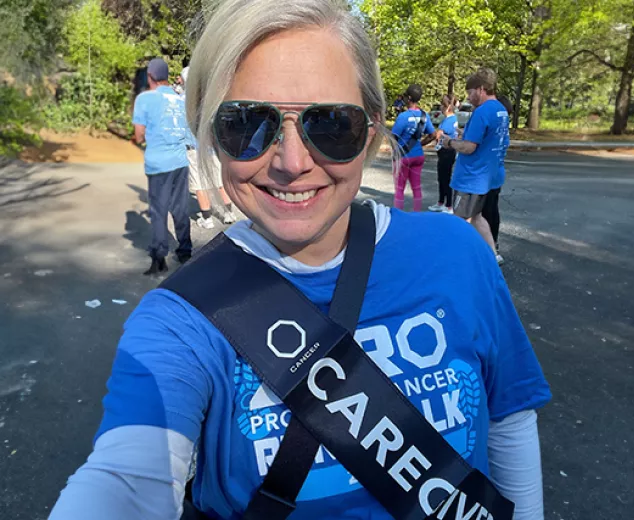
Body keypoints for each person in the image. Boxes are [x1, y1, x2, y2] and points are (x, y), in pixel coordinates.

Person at [49, 2, 550, 520]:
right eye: (248, 125)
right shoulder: (181, 322)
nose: (292, 162)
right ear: (211, 136)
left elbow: (509, 420)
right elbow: (126, 482)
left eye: (332, 125)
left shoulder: (457, 254)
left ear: (373, 131)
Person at [132, 58, 192, 275]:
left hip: (159, 164)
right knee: (180, 208)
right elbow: (189, 135)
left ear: (150, 77)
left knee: (158, 211)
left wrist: (144, 135)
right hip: (180, 162)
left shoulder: (145, 99)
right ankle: (185, 251)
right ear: (167, 76)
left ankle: (159, 258)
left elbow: (139, 136)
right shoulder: (180, 100)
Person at [442, 68, 510, 255]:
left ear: (480, 89)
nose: (468, 97)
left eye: (470, 92)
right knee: (478, 217)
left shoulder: (481, 112)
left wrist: (450, 142)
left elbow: (469, 147)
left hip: (471, 177)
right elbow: (493, 139)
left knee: (459, 219)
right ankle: (492, 254)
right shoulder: (501, 110)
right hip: (489, 175)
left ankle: (457, 257)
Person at [180, 66, 237, 229]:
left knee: (199, 184)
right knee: (218, 181)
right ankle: (228, 213)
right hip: (211, 146)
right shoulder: (208, 99)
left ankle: (207, 218)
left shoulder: (182, 100)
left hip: (193, 146)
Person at [391, 84, 437, 211]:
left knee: (400, 188)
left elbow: (393, 136)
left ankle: (398, 215)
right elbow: (433, 134)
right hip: (418, 155)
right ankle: (417, 214)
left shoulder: (403, 116)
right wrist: (421, 144)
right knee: (416, 187)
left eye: (406, 96)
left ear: (409, 98)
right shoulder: (424, 115)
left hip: (404, 156)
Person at [482, 95, 513, 265]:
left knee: (485, 212)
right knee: (493, 209)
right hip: (497, 173)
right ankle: (494, 243)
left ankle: (490, 247)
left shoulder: (497, 131)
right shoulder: (503, 131)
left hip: (489, 174)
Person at [428, 94, 459, 214]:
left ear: (447, 108)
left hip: (447, 151)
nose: (440, 107)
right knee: (441, 177)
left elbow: (438, 134)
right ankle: (441, 202)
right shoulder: (451, 119)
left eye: (442, 105)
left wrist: (434, 138)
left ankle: (449, 205)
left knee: (445, 178)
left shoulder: (449, 120)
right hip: (445, 151)